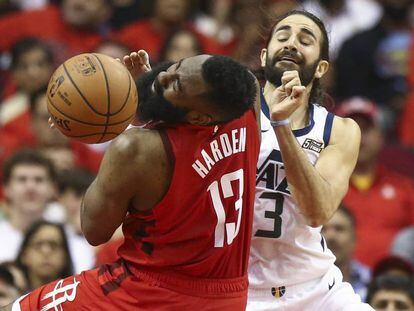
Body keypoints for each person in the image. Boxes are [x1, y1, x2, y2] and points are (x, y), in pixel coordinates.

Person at [4, 52, 261, 310]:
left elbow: (93, 230)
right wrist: (148, 104)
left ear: (199, 117)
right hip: (230, 295)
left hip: (150, 292)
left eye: (177, 85)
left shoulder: (138, 149)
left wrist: (101, 121)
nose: (162, 76)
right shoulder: (245, 104)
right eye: (176, 66)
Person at [247, 10, 373, 310]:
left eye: (305, 40)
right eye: (283, 36)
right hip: (239, 286)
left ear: (321, 67)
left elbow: (317, 211)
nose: (291, 44)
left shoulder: (339, 130)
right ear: (264, 56)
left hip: (315, 289)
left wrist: (281, 126)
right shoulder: (229, 113)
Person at [336, 97, 414, 268]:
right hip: (336, 283)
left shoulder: (405, 188)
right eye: (351, 129)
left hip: (391, 284)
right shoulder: (325, 186)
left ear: (381, 136)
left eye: (366, 129)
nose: (359, 137)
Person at [0, 149, 57, 263]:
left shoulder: (72, 241)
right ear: (6, 189)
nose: (30, 187)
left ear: (52, 189)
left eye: (39, 180)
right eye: (22, 179)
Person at [322, 205, 371, 301]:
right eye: (323, 229)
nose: (331, 236)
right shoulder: (299, 283)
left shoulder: (372, 281)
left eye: (339, 229)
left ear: (354, 238)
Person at [15, 221, 74, 291]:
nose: (46, 251)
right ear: (24, 255)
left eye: (54, 245)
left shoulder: (78, 297)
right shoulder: (7, 296)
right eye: (38, 245)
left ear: (65, 256)